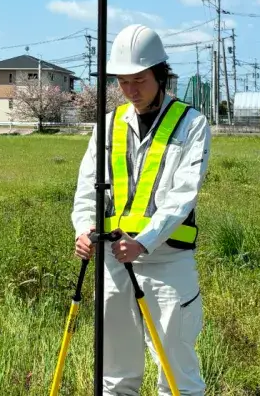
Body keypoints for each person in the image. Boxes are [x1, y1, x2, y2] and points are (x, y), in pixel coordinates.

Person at [71, 24, 211, 396]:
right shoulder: (108, 125)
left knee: (177, 375)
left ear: (160, 75)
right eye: (123, 82)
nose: (131, 90)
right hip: (113, 260)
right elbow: (88, 186)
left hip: (167, 263)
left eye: (139, 80)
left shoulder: (191, 123)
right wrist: (83, 228)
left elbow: (183, 195)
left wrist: (144, 241)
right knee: (115, 376)